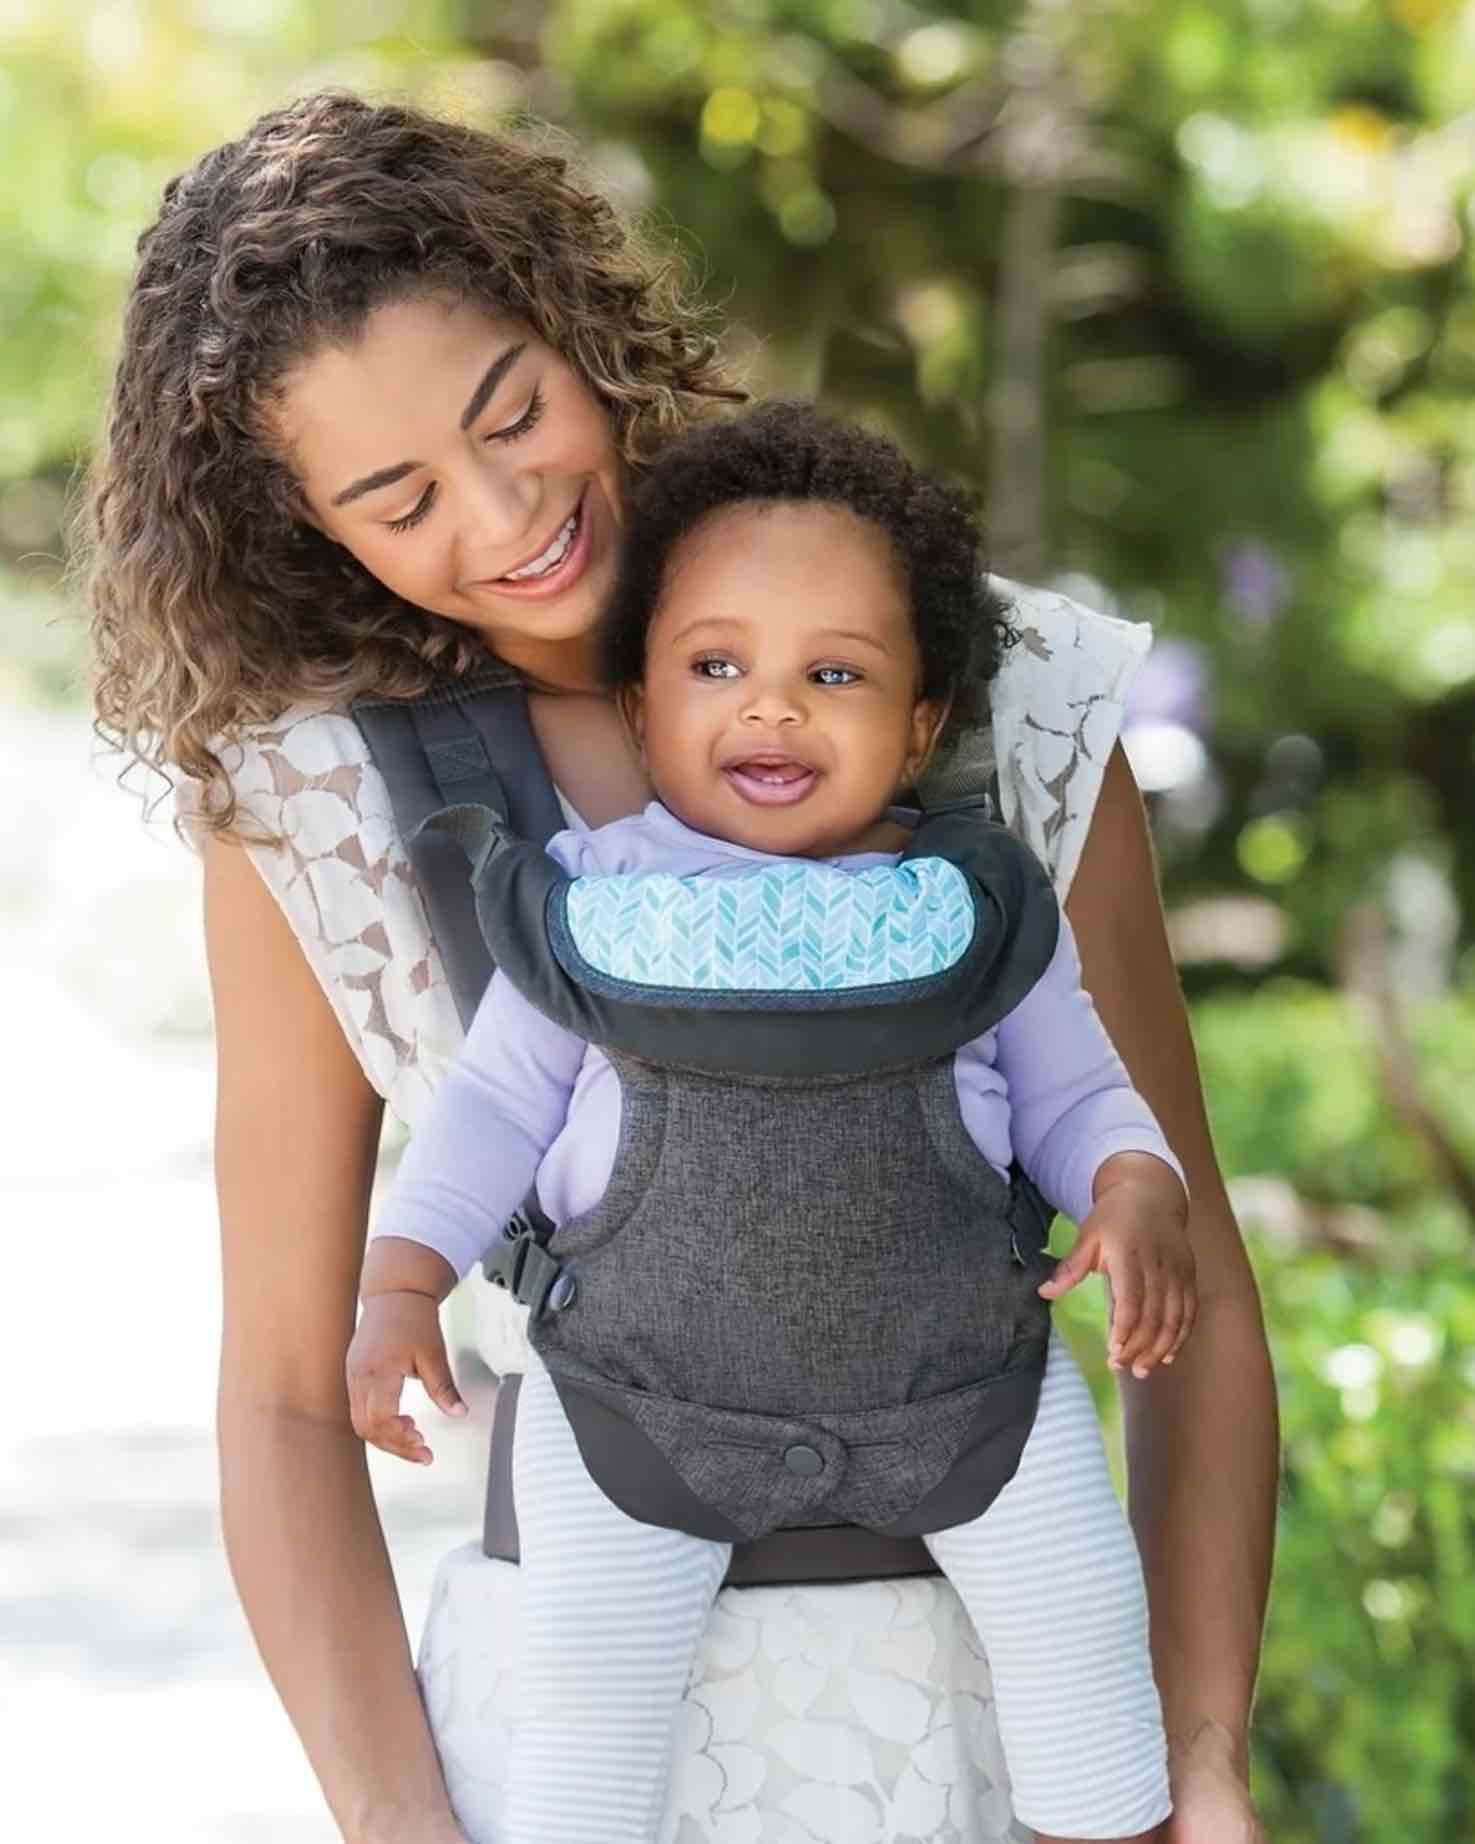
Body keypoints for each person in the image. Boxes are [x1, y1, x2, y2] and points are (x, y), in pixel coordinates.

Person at [85, 90, 1276, 1844]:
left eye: (515, 412)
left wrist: (1199, 1763)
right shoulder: (319, 809)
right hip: (576, 1737)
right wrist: (401, 1829)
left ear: (571, 315)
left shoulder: (1007, 692)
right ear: (305, 528)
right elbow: (280, 1394)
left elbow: (1195, 1288)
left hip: (991, 1733)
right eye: (401, 498)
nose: (508, 513)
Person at [347, 400, 1196, 1844]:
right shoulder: (591, 908)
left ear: (920, 723)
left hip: (966, 1392)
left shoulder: (974, 907)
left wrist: (1133, 1183)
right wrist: (399, 1281)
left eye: (836, 672)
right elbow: (490, 1109)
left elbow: (1076, 1091)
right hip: (636, 1405)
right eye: (717, 665)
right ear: (641, 708)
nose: (773, 708)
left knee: (1085, 1634)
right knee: (586, 1726)